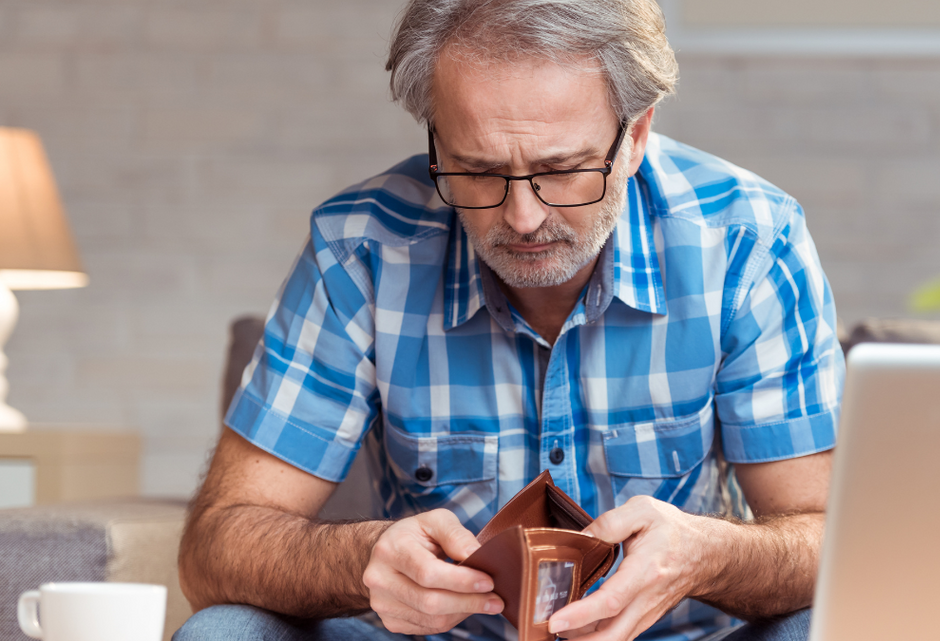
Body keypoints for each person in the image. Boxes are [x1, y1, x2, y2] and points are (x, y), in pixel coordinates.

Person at [175, 1, 844, 641]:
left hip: (684, 635)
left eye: (562, 169)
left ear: (636, 135)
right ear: (436, 136)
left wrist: (709, 554)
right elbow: (215, 548)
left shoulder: (747, 243)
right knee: (222, 631)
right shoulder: (361, 251)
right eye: (478, 170)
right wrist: (362, 557)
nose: (522, 218)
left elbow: (835, 536)